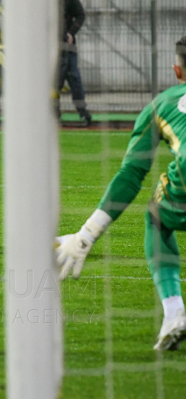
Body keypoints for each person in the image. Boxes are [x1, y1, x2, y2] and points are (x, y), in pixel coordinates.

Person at [56, 36, 186, 350]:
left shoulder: (162, 104)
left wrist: (87, 234)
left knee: (157, 218)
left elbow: (131, 175)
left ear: (177, 71)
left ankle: (174, 313)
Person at [55, 0, 91, 125]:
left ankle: (83, 113)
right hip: (49, 46)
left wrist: (71, 32)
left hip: (67, 46)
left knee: (74, 78)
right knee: (53, 82)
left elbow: (80, 15)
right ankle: (53, 113)